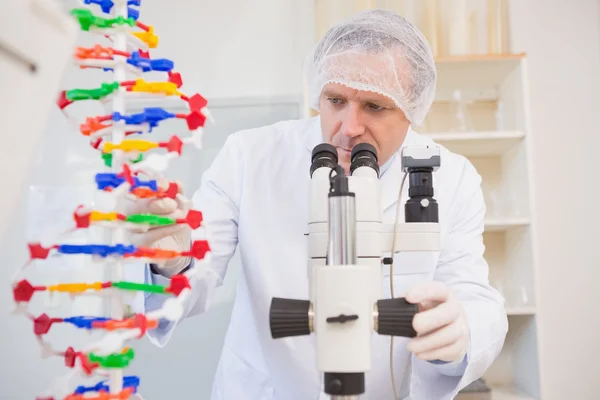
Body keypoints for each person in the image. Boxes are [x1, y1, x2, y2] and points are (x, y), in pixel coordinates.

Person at [133, 9, 508, 400]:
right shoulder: (251, 155)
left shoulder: (452, 177)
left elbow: (473, 295)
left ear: (412, 109)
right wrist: (172, 259)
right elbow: (200, 257)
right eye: (335, 100)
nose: (349, 127)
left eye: (374, 107)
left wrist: (462, 329)